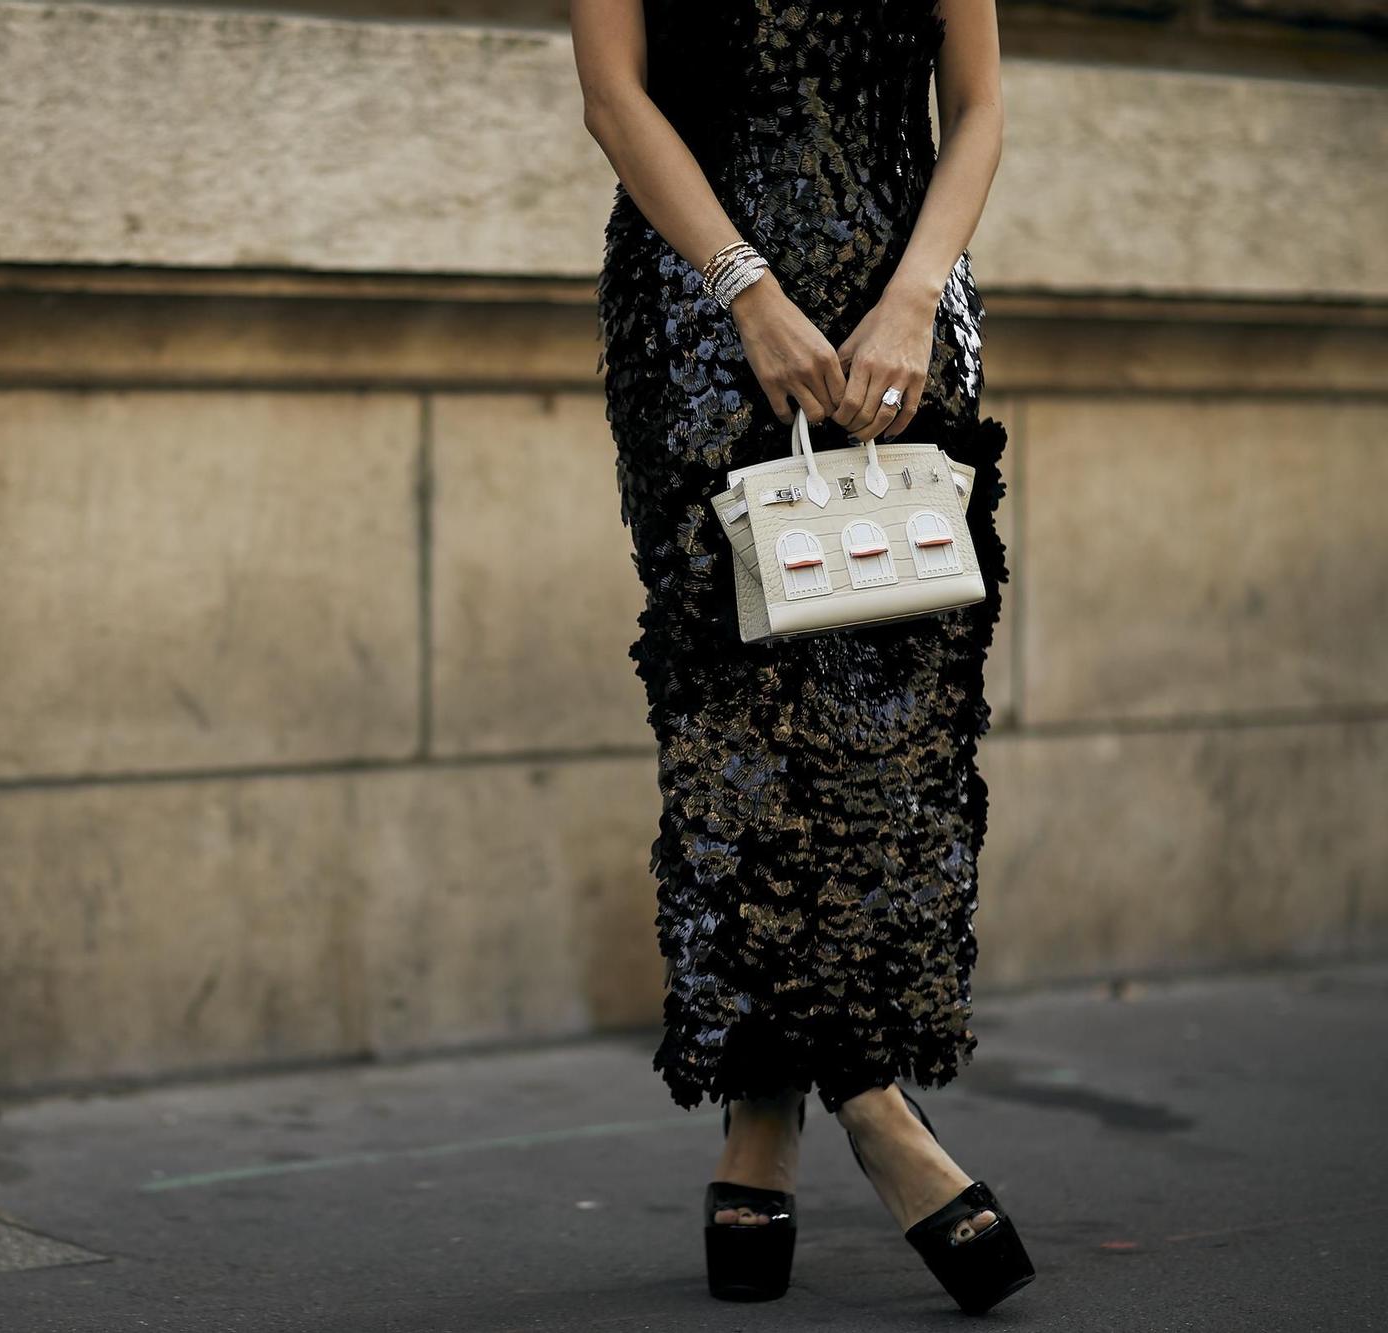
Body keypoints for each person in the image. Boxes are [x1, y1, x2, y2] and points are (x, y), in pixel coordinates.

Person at [572, 0, 1034, 1314]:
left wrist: (911, 292)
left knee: (885, 741)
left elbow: (980, 109)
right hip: (705, 318)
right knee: (741, 734)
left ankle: (761, 1123)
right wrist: (747, 289)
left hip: (907, 326)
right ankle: (881, 1114)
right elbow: (615, 98)